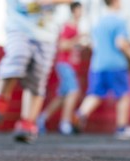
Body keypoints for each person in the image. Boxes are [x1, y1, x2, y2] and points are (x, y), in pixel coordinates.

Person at [0, 0, 72, 143]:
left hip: (46, 34)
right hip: (19, 25)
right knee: (17, 56)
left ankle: (28, 122)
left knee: (37, 77)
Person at [72, 0, 130, 140]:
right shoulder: (120, 21)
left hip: (98, 64)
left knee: (95, 93)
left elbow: (93, 44)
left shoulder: (98, 23)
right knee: (123, 95)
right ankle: (122, 128)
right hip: (116, 64)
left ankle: (80, 115)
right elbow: (120, 43)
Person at [37, 1, 84, 135]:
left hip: (71, 65)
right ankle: (65, 123)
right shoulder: (68, 26)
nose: (82, 13)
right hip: (65, 64)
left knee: (62, 96)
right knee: (73, 91)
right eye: (80, 10)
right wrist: (78, 39)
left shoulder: (76, 27)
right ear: (74, 11)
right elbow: (63, 46)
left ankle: (41, 118)